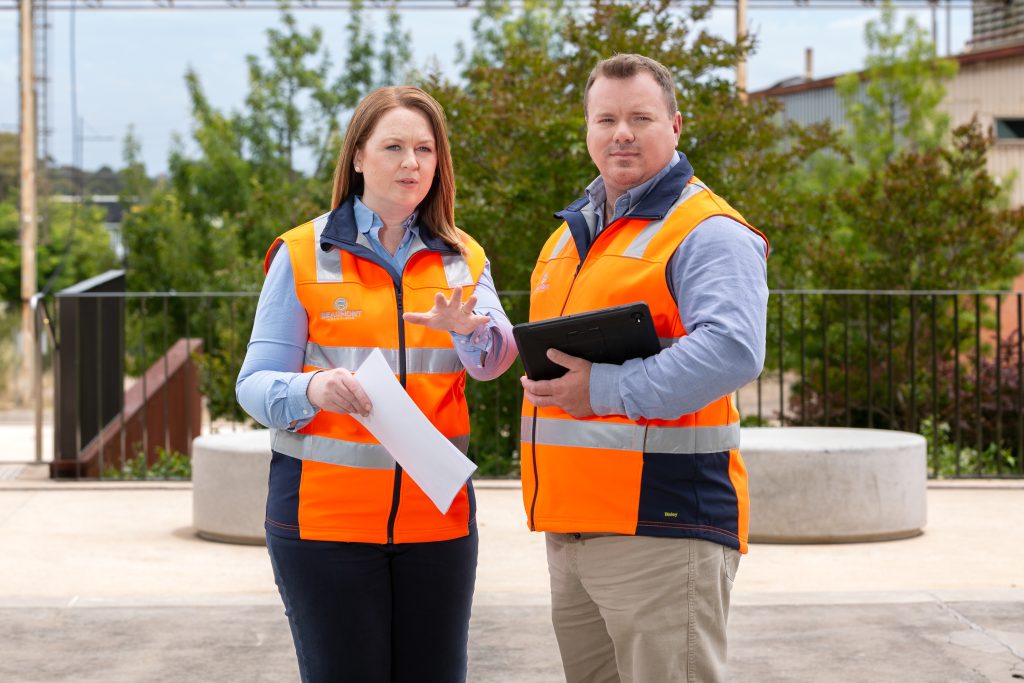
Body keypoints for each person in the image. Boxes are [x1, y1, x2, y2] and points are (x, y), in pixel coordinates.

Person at [236, 85, 516, 683]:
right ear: (358, 157)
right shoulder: (301, 254)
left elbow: (495, 360)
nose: (411, 163)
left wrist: (470, 333)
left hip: (438, 524)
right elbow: (253, 384)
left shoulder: (464, 257)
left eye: (425, 149)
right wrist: (312, 391)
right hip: (323, 528)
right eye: (393, 147)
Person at [519, 54, 769, 682]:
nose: (620, 132)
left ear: (676, 126)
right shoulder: (569, 238)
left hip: (662, 529)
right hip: (573, 532)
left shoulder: (707, 231)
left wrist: (601, 388)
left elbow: (733, 348)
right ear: (587, 129)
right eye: (606, 118)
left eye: (640, 117)